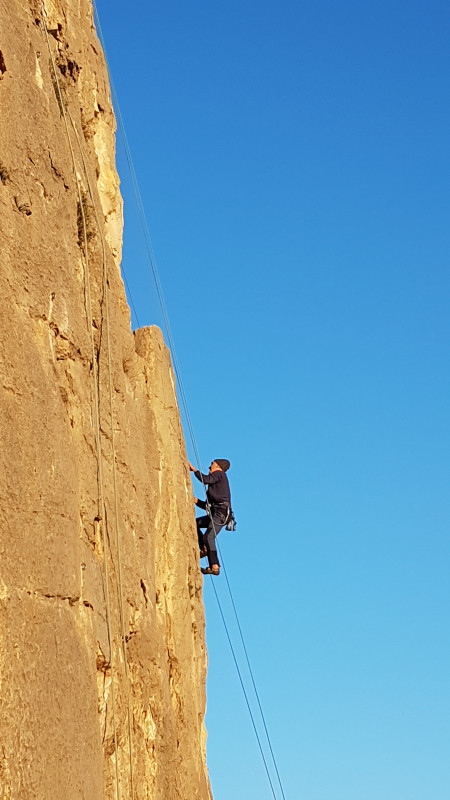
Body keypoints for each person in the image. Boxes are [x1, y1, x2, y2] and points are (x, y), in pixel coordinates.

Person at [189, 459, 232, 576]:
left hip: (222, 513)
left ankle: (214, 566)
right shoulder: (216, 483)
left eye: (211, 465)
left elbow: (206, 480)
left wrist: (194, 470)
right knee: (195, 523)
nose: (209, 467)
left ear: (218, 466)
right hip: (215, 512)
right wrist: (197, 501)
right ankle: (204, 548)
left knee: (209, 536)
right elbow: (209, 506)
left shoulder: (220, 474)